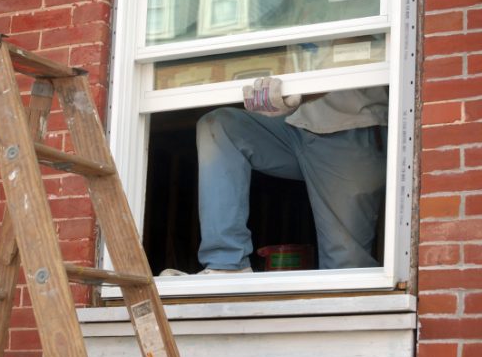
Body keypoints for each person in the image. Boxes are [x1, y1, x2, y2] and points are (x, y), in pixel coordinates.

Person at [164, 76, 388, 275]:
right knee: (220, 125)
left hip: (352, 126)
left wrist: (301, 91)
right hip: (296, 122)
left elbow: (353, 54)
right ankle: (227, 264)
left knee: (346, 269)